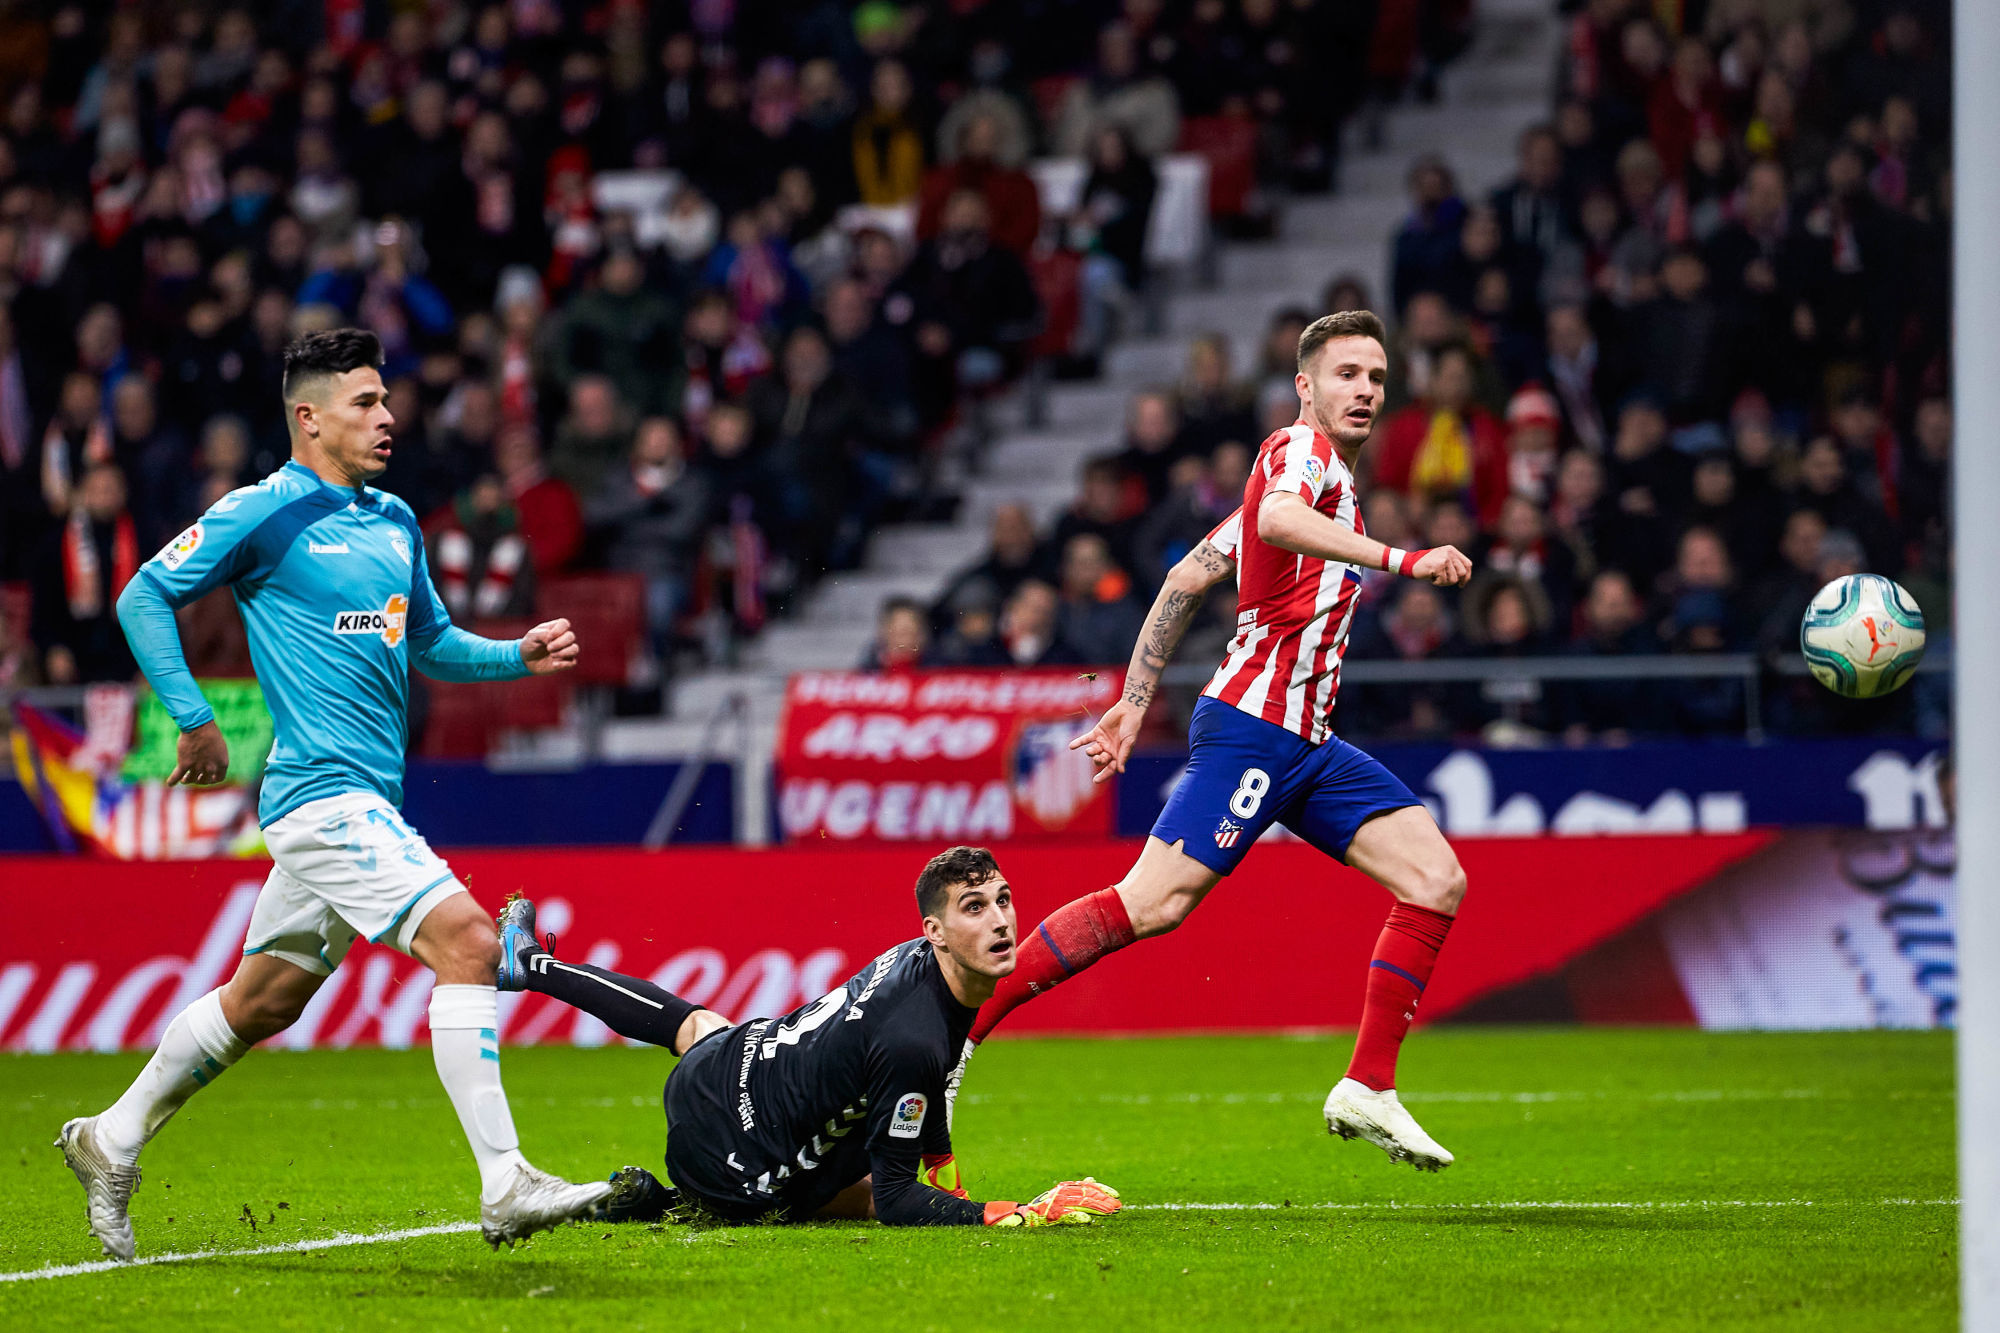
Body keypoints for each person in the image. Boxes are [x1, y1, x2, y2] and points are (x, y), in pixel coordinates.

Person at [62, 330, 611, 1262]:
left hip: (365, 802)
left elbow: (430, 643)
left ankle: (108, 1138)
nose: (387, 416)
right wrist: (193, 717)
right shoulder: (262, 510)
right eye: (364, 402)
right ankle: (507, 1180)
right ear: (309, 417)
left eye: (387, 400)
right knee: (473, 942)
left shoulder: (396, 520)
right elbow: (142, 597)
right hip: (321, 798)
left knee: (263, 999)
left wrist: (516, 652)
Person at [959, 312, 1475, 1170]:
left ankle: (1368, 1085)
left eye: (1378, 378)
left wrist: (1132, 698)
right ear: (1307, 386)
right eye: (1348, 373)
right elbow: (1274, 519)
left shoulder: (1328, 484)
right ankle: (962, 1031)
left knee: (1435, 878)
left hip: (1308, 739)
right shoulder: (1296, 456)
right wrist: (1403, 558)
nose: (1367, 392)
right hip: (1255, 729)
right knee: (1153, 903)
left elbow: (1188, 574)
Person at [493, 847, 1122, 1229]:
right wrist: (1015, 1212)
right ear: (936, 930)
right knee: (870, 1195)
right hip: (729, 1161)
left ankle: (535, 966)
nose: (1003, 921)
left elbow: (924, 1086)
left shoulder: (921, 968)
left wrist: (948, 1177)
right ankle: (658, 1202)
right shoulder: (915, 1037)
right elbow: (901, 1201)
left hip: (731, 1065)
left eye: (1004, 900)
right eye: (975, 907)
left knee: (694, 1026)